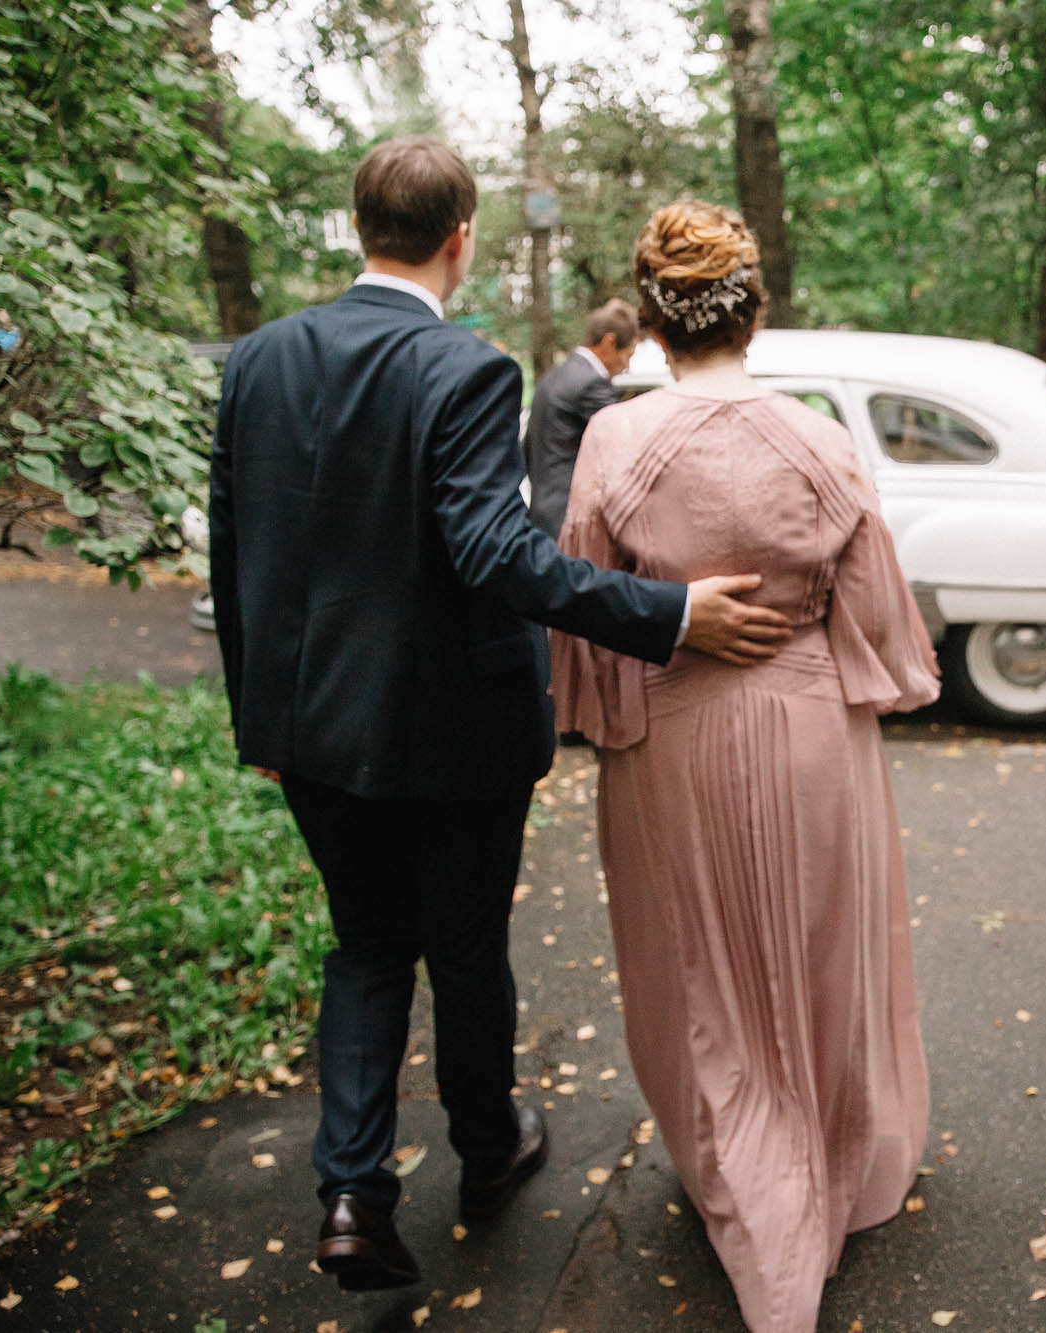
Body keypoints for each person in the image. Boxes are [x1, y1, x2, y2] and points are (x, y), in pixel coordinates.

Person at [207, 139, 793, 1293]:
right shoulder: (463, 370)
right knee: (466, 949)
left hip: (310, 726)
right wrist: (667, 613)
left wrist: (258, 720)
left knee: (368, 944)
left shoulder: (257, 360)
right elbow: (494, 554)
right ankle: (486, 1148)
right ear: (460, 235)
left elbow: (237, 556)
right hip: (452, 734)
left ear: (357, 224)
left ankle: (351, 1192)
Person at [551, 201, 938, 1333]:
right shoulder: (815, 437)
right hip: (812, 730)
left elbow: (586, 604)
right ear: (753, 311)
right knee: (819, 955)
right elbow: (872, 612)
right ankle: (823, 1161)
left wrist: (619, 699)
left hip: (676, 738)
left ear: (656, 325)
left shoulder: (617, 438)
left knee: (698, 970)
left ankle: (744, 1179)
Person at [523, 298, 639, 538]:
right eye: (628, 354)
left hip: (540, 515)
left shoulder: (551, 377)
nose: (626, 366)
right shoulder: (591, 385)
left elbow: (528, 448)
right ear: (609, 342)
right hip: (572, 521)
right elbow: (626, 448)